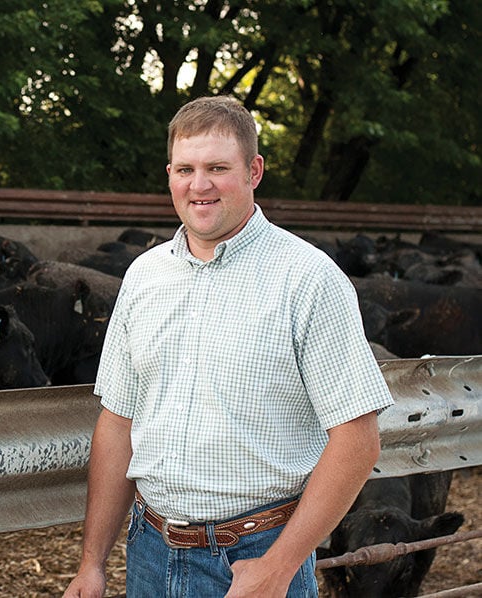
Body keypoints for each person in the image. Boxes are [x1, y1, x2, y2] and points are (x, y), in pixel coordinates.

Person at [62, 95, 394, 598]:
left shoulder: (308, 278)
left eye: (218, 167)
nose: (199, 185)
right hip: (150, 551)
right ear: (169, 173)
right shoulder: (144, 277)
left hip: (257, 557)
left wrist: (280, 567)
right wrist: (92, 563)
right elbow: (118, 421)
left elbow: (357, 440)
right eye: (185, 169)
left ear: (254, 170)